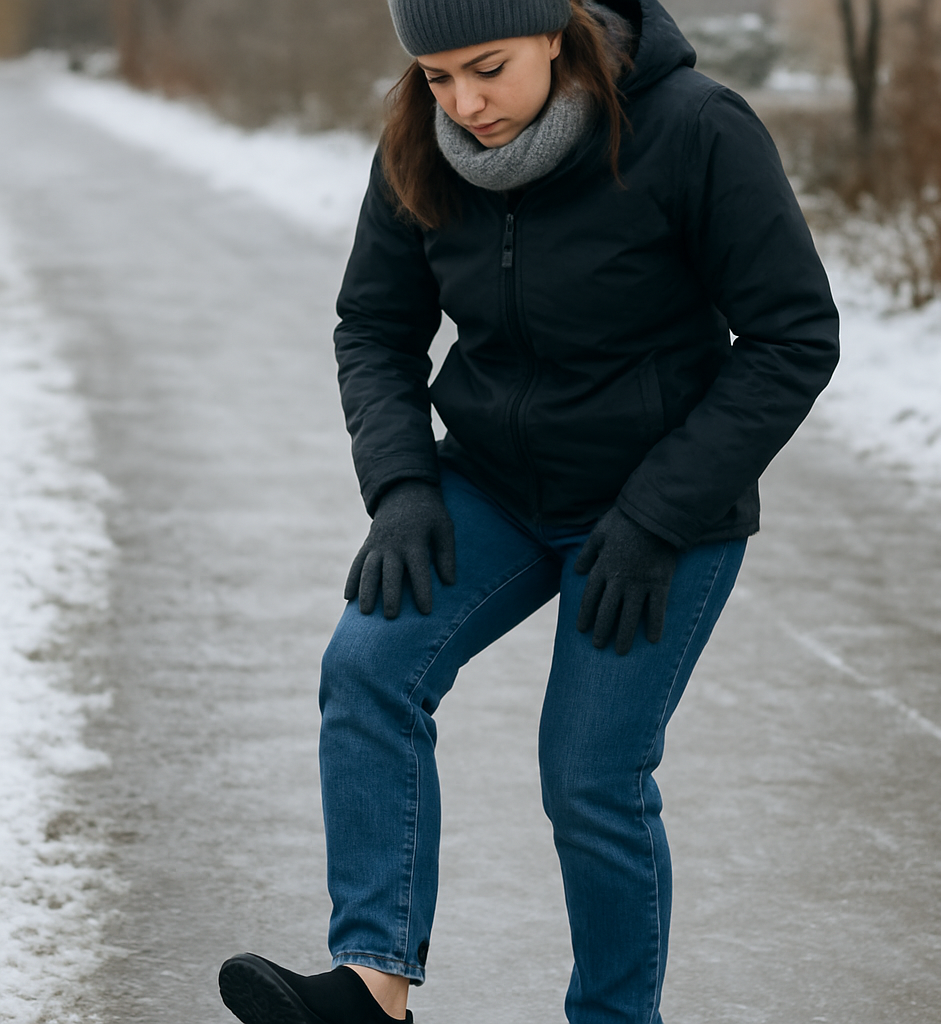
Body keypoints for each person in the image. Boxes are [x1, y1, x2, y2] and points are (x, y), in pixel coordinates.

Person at [218, 0, 840, 1022]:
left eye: (487, 68)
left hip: (655, 510)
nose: (463, 104)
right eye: (434, 77)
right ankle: (373, 984)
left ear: (559, 32)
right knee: (366, 669)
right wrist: (404, 485)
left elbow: (792, 337)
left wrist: (655, 515)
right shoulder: (423, 143)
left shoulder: (693, 129)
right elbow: (373, 325)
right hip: (495, 486)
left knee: (589, 771)